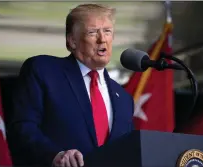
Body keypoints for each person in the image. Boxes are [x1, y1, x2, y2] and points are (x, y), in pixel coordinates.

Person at [8, 3, 134, 167]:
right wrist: (55, 155)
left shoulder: (124, 98)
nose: (102, 39)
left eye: (107, 31)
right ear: (72, 41)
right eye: (92, 32)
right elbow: (22, 127)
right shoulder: (44, 71)